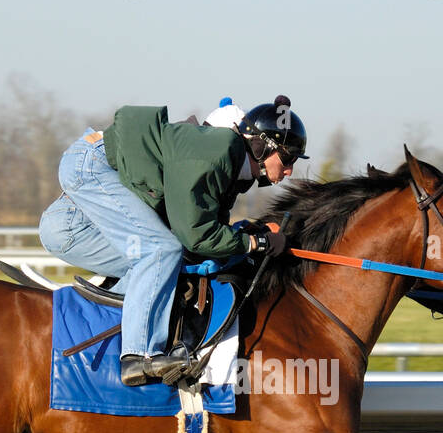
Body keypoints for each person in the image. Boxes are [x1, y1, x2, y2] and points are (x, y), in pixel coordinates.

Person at [39, 95, 308, 385]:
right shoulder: (222, 150)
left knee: (164, 264)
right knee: (161, 252)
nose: (290, 170)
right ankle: (139, 357)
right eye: (287, 158)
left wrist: (249, 233)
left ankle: (102, 315)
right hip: (91, 164)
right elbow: (195, 236)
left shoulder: (229, 170)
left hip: (65, 229)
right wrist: (258, 244)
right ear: (263, 145)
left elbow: (206, 234)